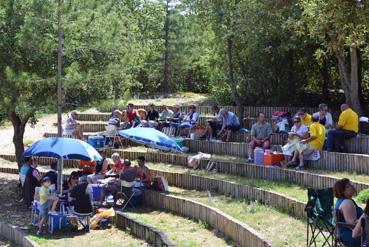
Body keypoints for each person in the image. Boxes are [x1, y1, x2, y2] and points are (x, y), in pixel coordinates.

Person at [334, 178, 363, 246]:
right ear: (342, 191)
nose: (352, 186)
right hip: (352, 236)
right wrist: (363, 219)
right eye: (348, 186)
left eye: (351, 184)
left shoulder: (341, 200)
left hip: (345, 234)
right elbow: (352, 225)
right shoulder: (347, 203)